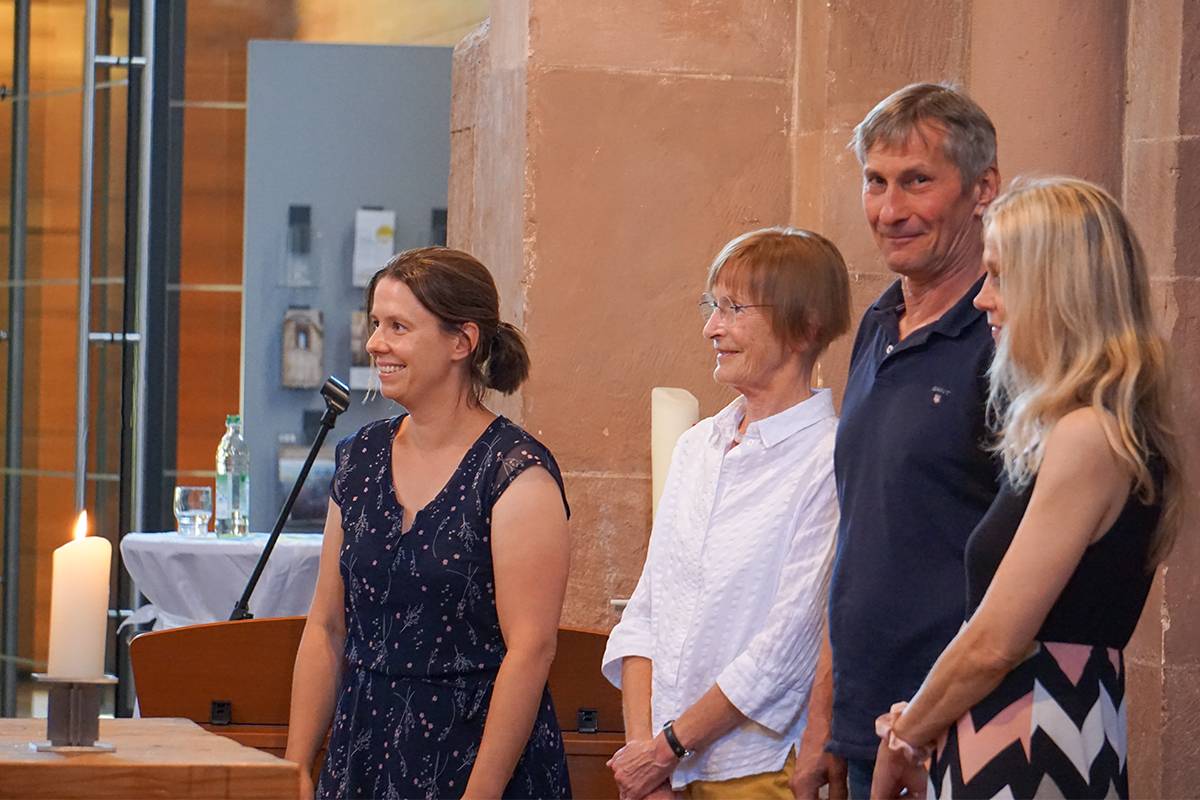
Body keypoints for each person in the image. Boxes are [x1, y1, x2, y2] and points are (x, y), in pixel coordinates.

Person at [870, 176, 1184, 800]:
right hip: (1038, 724)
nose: (983, 299)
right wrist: (929, 709)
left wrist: (906, 734)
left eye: (999, 275)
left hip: (1033, 739)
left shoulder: (1089, 435)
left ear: (1055, 289)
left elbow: (996, 642)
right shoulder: (1095, 428)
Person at [284, 247, 573, 800]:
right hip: (361, 756)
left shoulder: (516, 473)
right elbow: (326, 626)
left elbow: (531, 650)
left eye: (398, 326)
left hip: (473, 761)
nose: (375, 343)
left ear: (461, 342)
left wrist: (479, 795)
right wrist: (296, 765)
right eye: (375, 323)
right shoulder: (359, 457)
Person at [792, 82, 1002, 800]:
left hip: (960, 729)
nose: (889, 211)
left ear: (982, 189)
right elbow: (858, 536)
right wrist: (828, 718)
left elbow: (1022, 568)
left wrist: (921, 726)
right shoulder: (878, 324)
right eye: (875, 182)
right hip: (866, 729)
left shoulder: (1004, 339)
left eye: (917, 181)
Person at [603, 227, 851, 800]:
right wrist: (644, 758)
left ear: (806, 326)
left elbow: (786, 648)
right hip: (661, 769)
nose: (712, 327)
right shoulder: (698, 447)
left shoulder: (830, 457)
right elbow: (646, 612)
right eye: (713, 306)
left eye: (735, 309)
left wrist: (665, 750)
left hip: (755, 769)